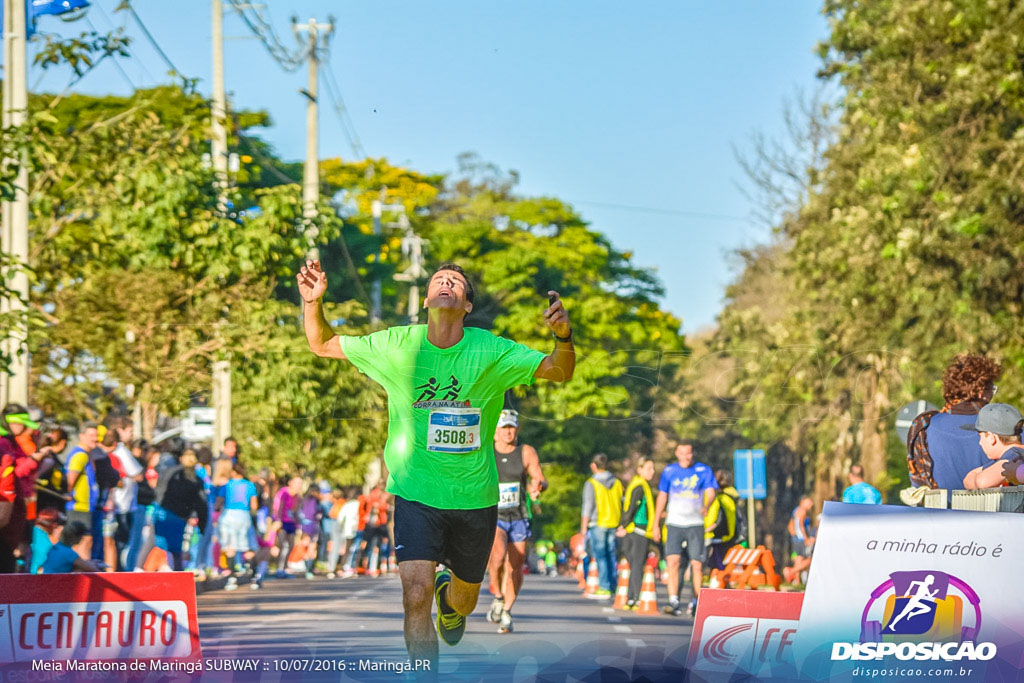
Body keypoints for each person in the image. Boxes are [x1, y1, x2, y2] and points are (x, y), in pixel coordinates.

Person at [298, 258, 574, 669]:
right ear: (427, 299)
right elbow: (322, 344)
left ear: (465, 305)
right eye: (438, 280)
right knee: (413, 596)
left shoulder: (491, 350)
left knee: (464, 603)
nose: (446, 283)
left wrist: (564, 337)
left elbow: (559, 371)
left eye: (456, 282)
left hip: (474, 499)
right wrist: (312, 304)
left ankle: (451, 600)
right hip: (416, 494)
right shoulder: (397, 345)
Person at [485, 409, 546, 634]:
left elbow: (539, 477)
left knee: (516, 566)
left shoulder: (525, 452)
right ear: (495, 432)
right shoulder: (487, 452)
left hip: (519, 516)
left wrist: (537, 487)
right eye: (503, 428)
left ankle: (507, 610)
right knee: (498, 557)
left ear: (517, 429)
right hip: (495, 515)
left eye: (511, 427)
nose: (508, 432)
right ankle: (498, 597)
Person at [907, 354, 999, 490]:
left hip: (939, 510)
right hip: (995, 510)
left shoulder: (923, 426)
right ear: (980, 391)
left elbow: (917, 483)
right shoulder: (1007, 427)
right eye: (992, 389)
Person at [653, 441, 718, 616]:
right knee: (673, 562)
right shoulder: (669, 471)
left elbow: (711, 491)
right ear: (676, 453)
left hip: (695, 524)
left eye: (688, 453)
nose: (685, 457)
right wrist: (655, 524)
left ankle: (697, 601)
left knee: (697, 565)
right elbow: (662, 496)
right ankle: (674, 601)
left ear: (692, 454)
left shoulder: (703, 470)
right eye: (682, 453)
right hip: (674, 523)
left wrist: (707, 505)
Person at [152, 449, 208, 571]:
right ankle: (177, 573)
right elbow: (201, 504)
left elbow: (159, 491)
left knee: (159, 545)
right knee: (175, 549)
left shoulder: (170, 473)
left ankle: (157, 570)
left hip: (164, 512)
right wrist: (202, 525)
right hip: (178, 516)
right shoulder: (196, 480)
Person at [580, 453, 623, 600]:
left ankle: (604, 587)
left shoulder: (591, 483)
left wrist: (583, 526)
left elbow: (588, 505)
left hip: (598, 523)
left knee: (601, 556)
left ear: (594, 466)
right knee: (611, 555)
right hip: (614, 522)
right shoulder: (617, 482)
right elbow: (622, 503)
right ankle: (613, 585)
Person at [620, 457, 658, 609]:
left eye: (653, 468)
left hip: (636, 529)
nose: (652, 472)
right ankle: (635, 597)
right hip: (638, 530)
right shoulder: (640, 487)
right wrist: (624, 525)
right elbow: (632, 508)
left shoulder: (638, 484)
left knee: (634, 564)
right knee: (637, 565)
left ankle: (631, 597)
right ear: (640, 469)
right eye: (649, 468)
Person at [961, 403, 1024, 489]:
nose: (980, 443)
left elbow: (982, 482)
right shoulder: (1013, 454)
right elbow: (968, 479)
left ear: (991, 437)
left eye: (980, 437)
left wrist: (975, 478)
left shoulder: (1013, 457)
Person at [64, 424, 100, 560]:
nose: (95, 439)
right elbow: (70, 479)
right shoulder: (80, 455)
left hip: (86, 506)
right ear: (81, 436)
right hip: (78, 506)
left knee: (86, 540)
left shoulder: (87, 455)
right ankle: (81, 573)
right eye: (91, 435)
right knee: (83, 541)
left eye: (96, 435)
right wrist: (69, 494)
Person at [216, 461, 259, 574]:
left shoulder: (227, 485)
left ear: (233, 472)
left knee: (230, 547)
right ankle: (253, 575)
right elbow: (254, 506)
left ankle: (232, 577)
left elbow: (218, 502)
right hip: (244, 515)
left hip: (228, 515)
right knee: (247, 546)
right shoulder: (250, 485)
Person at [703, 469, 743, 571]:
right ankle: (722, 582)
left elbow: (718, 519)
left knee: (717, 564)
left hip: (718, 534)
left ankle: (720, 582)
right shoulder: (733, 496)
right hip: (731, 533)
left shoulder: (720, 498)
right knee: (723, 563)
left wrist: (707, 529)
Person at [355, 480, 391, 576]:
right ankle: (365, 565)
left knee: (375, 545)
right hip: (375, 524)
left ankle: (369, 566)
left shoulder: (373, 494)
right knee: (374, 545)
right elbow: (379, 506)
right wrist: (385, 506)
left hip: (376, 523)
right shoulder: (376, 495)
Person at [272, 476, 302, 577]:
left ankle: (285, 567)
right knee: (282, 545)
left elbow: (295, 510)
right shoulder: (283, 492)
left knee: (291, 545)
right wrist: (278, 520)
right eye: (297, 483)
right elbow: (278, 507)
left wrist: (298, 524)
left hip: (291, 523)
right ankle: (279, 568)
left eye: (300, 484)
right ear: (290, 482)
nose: (298, 486)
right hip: (282, 522)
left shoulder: (297, 496)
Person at [783, 496, 815, 585]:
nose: (811, 505)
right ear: (802, 502)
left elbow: (790, 525)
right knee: (807, 559)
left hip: (796, 538)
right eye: (809, 502)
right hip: (801, 539)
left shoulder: (795, 510)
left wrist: (794, 535)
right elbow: (801, 526)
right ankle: (791, 572)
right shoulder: (803, 511)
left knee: (799, 559)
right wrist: (806, 538)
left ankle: (796, 580)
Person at [30, 509, 65, 574]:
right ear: (54, 525)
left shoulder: (32, 531)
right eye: (58, 524)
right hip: (40, 576)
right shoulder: (48, 543)